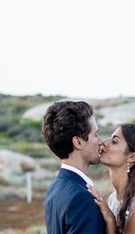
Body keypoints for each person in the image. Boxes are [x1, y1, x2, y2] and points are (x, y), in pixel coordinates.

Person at [42, 100, 106, 234]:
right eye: (96, 134)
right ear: (78, 142)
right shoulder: (81, 198)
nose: (100, 142)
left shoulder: (55, 186)